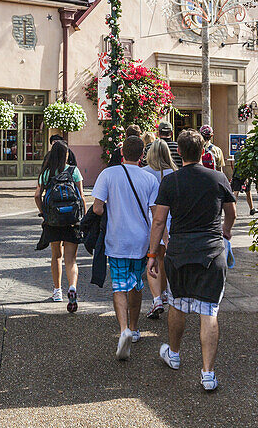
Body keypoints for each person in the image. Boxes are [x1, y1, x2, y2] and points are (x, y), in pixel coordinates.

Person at [147, 129, 237, 392]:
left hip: (180, 252)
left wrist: (153, 254)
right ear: (202, 152)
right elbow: (231, 212)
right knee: (209, 311)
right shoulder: (218, 177)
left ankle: (173, 354)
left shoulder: (170, 182)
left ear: (180, 153)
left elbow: (159, 221)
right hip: (211, 251)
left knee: (177, 304)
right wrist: (226, 230)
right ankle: (208, 374)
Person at [92, 135, 158, 360]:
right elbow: (155, 213)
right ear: (142, 155)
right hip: (141, 240)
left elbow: (97, 208)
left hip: (117, 239)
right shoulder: (149, 178)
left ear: (122, 153)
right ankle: (135, 327)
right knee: (137, 284)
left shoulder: (108, 174)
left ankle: (123, 330)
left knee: (119, 286)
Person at [34, 140, 85, 311]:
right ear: (67, 155)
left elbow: (36, 196)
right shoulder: (74, 171)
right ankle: (73, 287)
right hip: (72, 220)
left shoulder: (46, 173)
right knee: (71, 259)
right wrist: (82, 218)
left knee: (57, 256)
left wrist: (44, 213)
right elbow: (82, 196)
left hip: (53, 220)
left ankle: (57, 292)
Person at [142, 139, 177, 319]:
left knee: (153, 259)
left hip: (151, 222)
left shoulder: (144, 173)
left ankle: (157, 298)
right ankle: (166, 294)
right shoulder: (174, 173)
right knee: (164, 260)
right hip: (171, 222)